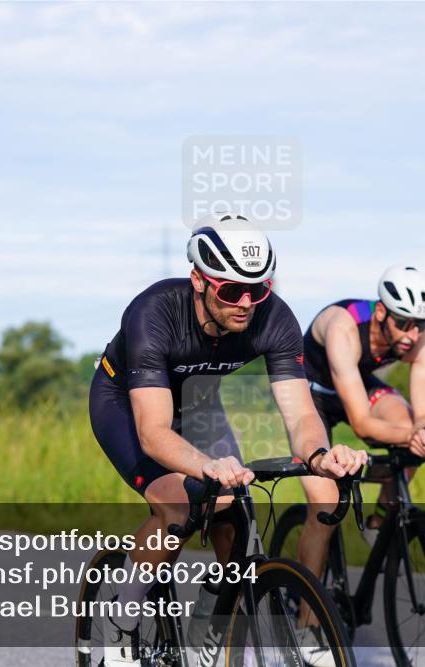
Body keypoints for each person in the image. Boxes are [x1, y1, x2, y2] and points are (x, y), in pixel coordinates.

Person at [89, 212, 367, 666]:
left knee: (235, 517)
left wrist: (319, 456)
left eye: (258, 289)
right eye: (232, 291)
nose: (246, 303)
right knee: (178, 508)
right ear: (199, 280)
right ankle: (122, 621)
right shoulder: (154, 313)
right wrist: (205, 466)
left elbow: (301, 413)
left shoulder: (273, 318)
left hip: (199, 404)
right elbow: (154, 433)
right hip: (125, 405)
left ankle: (208, 629)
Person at [297, 265, 425, 548]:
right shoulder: (344, 327)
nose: (413, 335)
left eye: (421, 324)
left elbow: (424, 415)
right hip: (312, 393)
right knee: (325, 506)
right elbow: (361, 424)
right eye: (404, 323)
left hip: (356, 383)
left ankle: (379, 521)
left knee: (410, 432)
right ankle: (307, 580)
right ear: (381, 312)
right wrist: (413, 437)